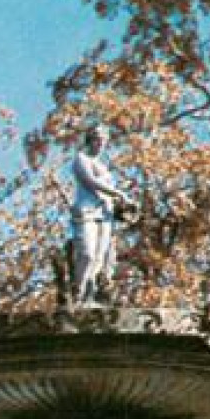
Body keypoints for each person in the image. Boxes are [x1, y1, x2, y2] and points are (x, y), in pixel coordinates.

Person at [70, 125, 132, 305]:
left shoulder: (104, 168)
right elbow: (90, 181)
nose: (100, 142)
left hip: (105, 215)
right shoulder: (81, 159)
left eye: (103, 139)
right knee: (87, 253)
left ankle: (89, 297)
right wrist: (118, 193)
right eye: (97, 137)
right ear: (89, 139)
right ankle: (77, 294)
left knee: (99, 259)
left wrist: (122, 203)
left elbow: (107, 193)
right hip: (87, 212)